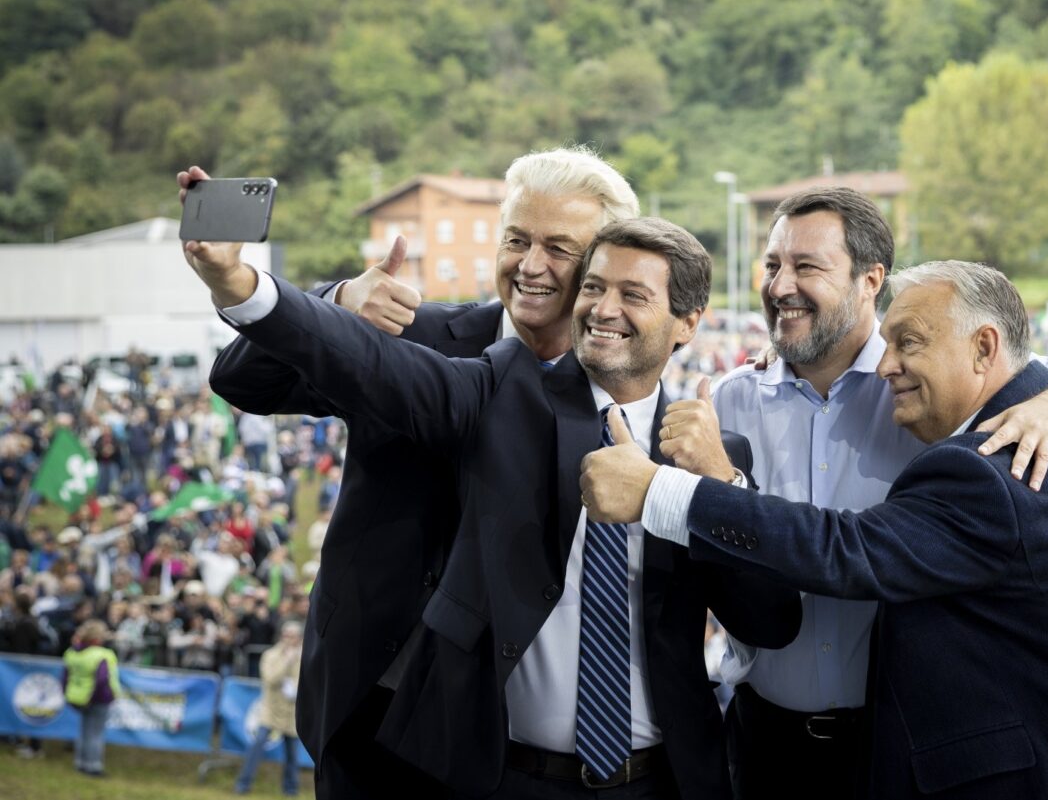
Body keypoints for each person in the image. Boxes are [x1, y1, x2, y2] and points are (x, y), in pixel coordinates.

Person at [184, 215, 801, 798]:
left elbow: (769, 621)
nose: (603, 309)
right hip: (502, 777)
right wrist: (244, 286)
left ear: (688, 321)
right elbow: (373, 364)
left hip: (661, 779)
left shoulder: (713, 450)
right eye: (593, 287)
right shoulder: (504, 388)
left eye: (633, 295)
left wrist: (719, 486)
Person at [585, 260, 1048, 799]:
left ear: (984, 348)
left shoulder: (996, 466)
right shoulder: (1031, 416)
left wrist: (659, 492)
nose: (887, 366)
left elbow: (847, 550)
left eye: (909, 343)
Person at [190, 147, 641, 800]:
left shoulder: (620, 396)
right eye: (517, 239)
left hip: (514, 731)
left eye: (559, 247)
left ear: (602, 262)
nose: (531, 264)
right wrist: (341, 302)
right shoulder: (415, 331)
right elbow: (242, 378)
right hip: (370, 700)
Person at [235, 621, 303, 796]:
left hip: (291, 712)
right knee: (257, 746)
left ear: (299, 638)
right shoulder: (270, 655)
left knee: (292, 754)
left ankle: (291, 789)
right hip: (270, 709)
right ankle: (243, 784)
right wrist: (286, 663)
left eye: (293, 636)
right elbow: (270, 678)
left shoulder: (304, 656)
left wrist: (295, 689)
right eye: (286, 635)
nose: (288, 639)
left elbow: (308, 681)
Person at [61, 619, 120, 777]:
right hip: (97, 699)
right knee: (95, 734)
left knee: (84, 731)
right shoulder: (102, 655)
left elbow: (65, 677)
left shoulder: (72, 652)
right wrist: (95, 697)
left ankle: (80, 762)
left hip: (78, 698)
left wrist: (67, 694)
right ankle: (93, 766)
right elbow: (102, 680)